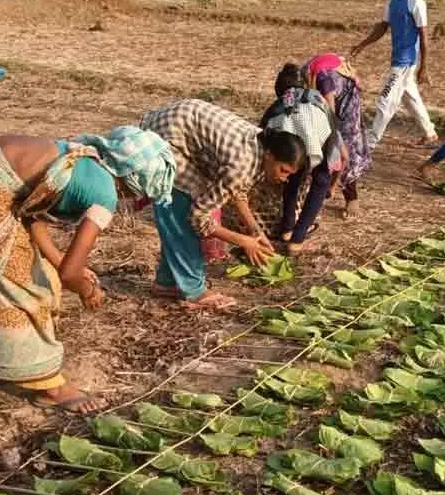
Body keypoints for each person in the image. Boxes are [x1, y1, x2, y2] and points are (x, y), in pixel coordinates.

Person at [0, 126, 177, 413]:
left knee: (3, 270)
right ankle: (52, 389)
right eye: (141, 197)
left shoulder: (85, 158)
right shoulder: (105, 195)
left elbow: (30, 214)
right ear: (134, 183)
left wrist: (59, 260)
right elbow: (71, 274)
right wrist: (89, 290)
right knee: (17, 287)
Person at [140, 99, 307, 310]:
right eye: (283, 170)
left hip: (183, 127)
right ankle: (193, 291)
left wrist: (255, 232)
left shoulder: (262, 147)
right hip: (169, 135)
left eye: (289, 175)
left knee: (182, 209)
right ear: (270, 156)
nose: (284, 179)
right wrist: (243, 241)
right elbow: (198, 218)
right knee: (181, 210)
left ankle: (166, 282)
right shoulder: (242, 163)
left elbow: (237, 192)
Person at [351, 0, 437, 149]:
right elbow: (382, 27)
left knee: (385, 99)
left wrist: (424, 67)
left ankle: (372, 140)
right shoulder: (392, 2)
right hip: (398, 58)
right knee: (410, 97)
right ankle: (429, 133)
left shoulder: (416, 2)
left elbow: (424, 37)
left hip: (406, 61)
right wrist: (362, 45)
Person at [261, 63, 342, 255]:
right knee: (320, 182)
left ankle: (287, 229)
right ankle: (297, 240)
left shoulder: (279, 103)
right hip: (318, 141)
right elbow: (333, 128)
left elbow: (262, 130)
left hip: (289, 147)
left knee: (292, 177)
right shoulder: (316, 98)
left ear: (280, 89)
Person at [303, 52, 367, 218]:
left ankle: (351, 198)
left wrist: (331, 135)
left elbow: (329, 113)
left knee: (346, 143)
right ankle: (315, 189)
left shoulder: (323, 81)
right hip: (333, 79)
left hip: (346, 99)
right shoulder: (308, 76)